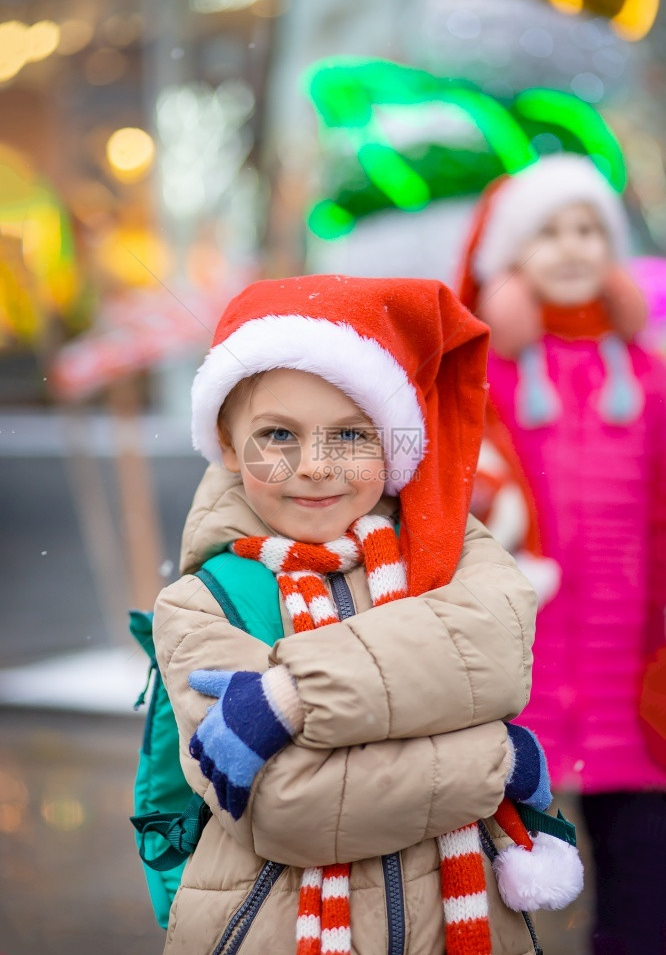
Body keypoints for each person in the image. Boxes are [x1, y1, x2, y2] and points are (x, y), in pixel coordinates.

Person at [153, 274, 565, 955]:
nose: (314, 465)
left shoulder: (446, 549)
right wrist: (497, 758)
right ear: (227, 445)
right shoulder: (204, 602)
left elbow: (497, 649)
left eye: (349, 436)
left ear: (394, 445)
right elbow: (291, 810)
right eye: (278, 434)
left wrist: (291, 695)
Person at [458, 154, 666, 955]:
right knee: (496, 878)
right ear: (511, 257)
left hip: (632, 672)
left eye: (588, 230)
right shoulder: (484, 380)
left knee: (643, 871)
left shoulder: (648, 375)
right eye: (548, 232)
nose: (573, 247)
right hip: (521, 673)